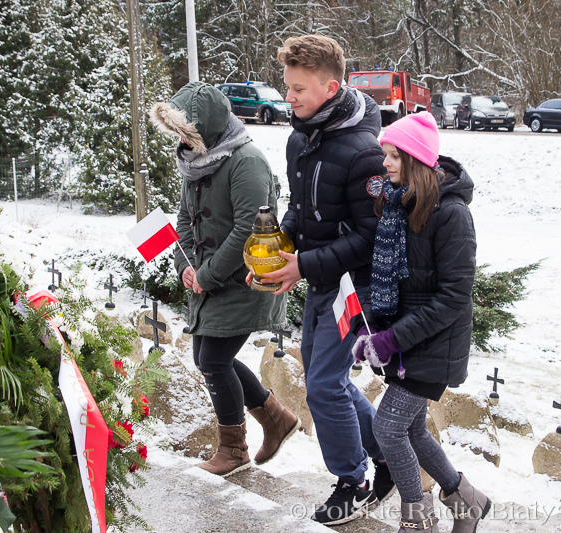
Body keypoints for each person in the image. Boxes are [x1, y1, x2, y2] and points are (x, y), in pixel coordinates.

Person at [257, 35, 395, 525]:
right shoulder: (300, 138)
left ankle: (352, 482)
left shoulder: (364, 152)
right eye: (287, 87)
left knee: (321, 386)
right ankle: (389, 458)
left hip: (354, 290)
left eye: (298, 89)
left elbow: (370, 238)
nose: (288, 97)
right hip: (320, 282)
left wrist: (304, 265)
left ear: (330, 88)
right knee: (327, 382)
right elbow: (301, 209)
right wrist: (281, 249)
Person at [149, 82, 301, 478]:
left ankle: (234, 450)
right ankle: (276, 418)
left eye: (186, 131)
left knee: (213, 360)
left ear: (208, 127)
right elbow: (185, 220)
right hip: (210, 281)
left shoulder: (246, 161)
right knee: (210, 358)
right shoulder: (196, 159)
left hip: (245, 280)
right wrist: (184, 264)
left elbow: (250, 228)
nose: (182, 141)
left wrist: (208, 274)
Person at [352, 111, 490, 532]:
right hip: (406, 342)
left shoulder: (451, 214)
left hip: (434, 345)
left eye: (394, 156)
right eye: (385, 154)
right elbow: (382, 277)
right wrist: (369, 328)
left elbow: (453, 298)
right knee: (411, 430)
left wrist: (392, 339)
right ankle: (466, 500)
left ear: (415, 159)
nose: (385, 163)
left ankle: (418, 518)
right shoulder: (396, 205)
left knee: (388, 427)